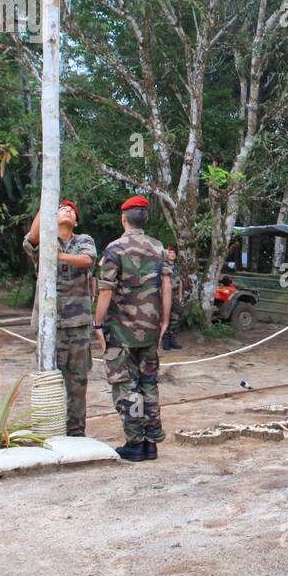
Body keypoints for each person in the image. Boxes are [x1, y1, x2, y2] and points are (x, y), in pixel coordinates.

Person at [93, 195, 173, 462]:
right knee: (149, 383)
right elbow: (166, 287)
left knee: (126, 386)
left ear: (123, 219)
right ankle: (152, 442)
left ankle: (135, 443)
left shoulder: (114, 249)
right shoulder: (159, 248)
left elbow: (105, 290)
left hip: (120, 331)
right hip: (149, 329)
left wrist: (97, 322)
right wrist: (164, 321)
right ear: (146, 219)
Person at [22, 199, 97, 436]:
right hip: (50, 324)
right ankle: (49, 430)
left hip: (78, 323)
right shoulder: (46, 240)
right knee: (48, 379)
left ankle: (76, 430)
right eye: (62, 209)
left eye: (71, 211)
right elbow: (32, 239)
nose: (67, 211)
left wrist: (60, 257)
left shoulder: (83, 240)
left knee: (77, 380)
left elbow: (87, 260)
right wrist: (46, 207)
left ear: (76, 220)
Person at [161, 245, 184, 351]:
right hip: (165, 295)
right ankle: (165, 341)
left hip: (174, 295)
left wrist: (180, 296)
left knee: (175, 318)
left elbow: (180, 282)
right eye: (170, 252)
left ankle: (172, 340)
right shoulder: (162, 266)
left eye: (174, 253)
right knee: (165, 317)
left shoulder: (177, 267)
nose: (172, 254)